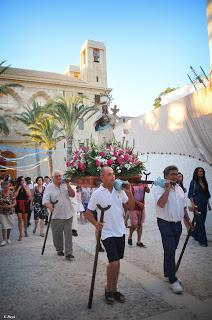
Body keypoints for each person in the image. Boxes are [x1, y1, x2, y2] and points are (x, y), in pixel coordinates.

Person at [85, 167, 135, 304]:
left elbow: (130, 206)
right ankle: (108, 288)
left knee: (117, 261)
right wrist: (95, 223)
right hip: (107, 232)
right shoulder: (97, 193)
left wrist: (129, 192)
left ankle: (114, 288)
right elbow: (88, 213)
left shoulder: (119, 190)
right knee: (113, 261)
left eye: (113, 174)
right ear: (102, 178)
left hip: (120, 230)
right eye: (109, 174)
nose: (113, 177)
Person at [154, 165, 192, 294]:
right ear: (166, 176)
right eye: (172, 174)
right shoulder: (159, 187)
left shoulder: (180, 189)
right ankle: (172, 278)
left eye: (176, 174)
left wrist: (188, 221)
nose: (175, 176)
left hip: (177, 224)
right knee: (170, 248)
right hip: (164, 222)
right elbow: (160, 203)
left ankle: (167, 272)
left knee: (171, 249)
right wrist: (167, 189)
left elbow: (183, 207)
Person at [42, 170, 75, 260]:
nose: (59, 178)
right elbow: (45, 200)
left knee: (68, 234)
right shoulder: (49, 187)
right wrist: (49, 206)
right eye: (56, 176)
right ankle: (59, 249)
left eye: (60, 176)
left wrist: (68, 185)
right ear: (52, 178)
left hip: (68, 213)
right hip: (56, 215)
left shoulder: (65, 185)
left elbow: (73, 195)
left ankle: (69, 253)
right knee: (57, 234)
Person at [188, 167, 211, 247]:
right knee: (200, 221)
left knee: (201, 221)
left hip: (204, 204)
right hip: (197, 204)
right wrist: (193, 204)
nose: (201, 172)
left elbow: (207, 194)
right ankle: (203, 241)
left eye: (202, 171)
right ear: (196, 173)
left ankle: (195, 234)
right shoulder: (193, 182)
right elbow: (190, 194)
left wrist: (208, 204)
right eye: (200, 171)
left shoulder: (204, 182)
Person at [127, 183, 150, 247]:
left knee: (140, 224)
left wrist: (146, 188)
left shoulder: (143, 183)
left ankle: (139, 241)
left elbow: (148, 191)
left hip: (141, 207)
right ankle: (130, 235)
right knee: (134, 224)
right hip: (133, 207)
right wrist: (138, 202)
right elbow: (129, 196)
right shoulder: (130, 184)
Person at [14, 176, 31, 241]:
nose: (23, 181)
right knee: (20, 219)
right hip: (18, 204)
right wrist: (18, 189)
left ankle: (25, 230)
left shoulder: (26, 187)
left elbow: (29, 195)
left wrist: (25, 188)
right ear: (19, 181)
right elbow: (14, 196)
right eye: (21, 180)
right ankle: (20, 234)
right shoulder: (16, 187)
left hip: (25, 204)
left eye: (23, 180)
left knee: (25, 219)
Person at [0, 181, 16, 246]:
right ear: (2, 187)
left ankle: (8, 238)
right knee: (4, 225)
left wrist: (10, 206)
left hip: (10, 212)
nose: (6, 189)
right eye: (4, 188)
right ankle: (4, 240)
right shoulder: (0, 193)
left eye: (7, 187)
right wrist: (2, 206)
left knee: (9, 225)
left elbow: (15, 202)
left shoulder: (12, 193)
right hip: (2, 212)